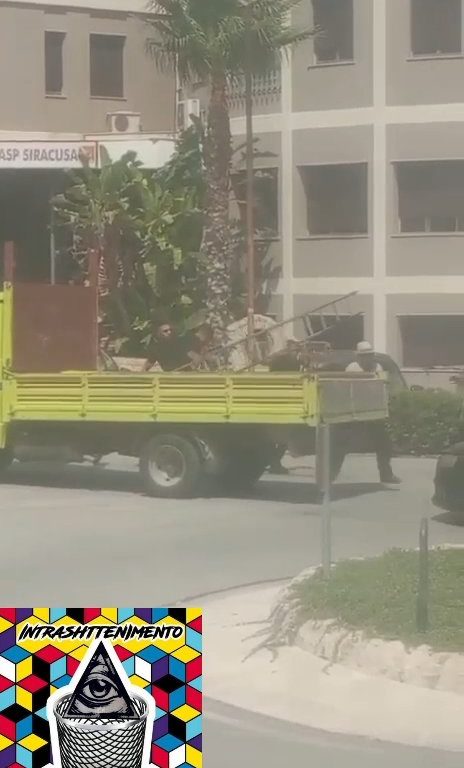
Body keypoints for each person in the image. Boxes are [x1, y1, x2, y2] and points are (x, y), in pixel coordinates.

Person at [336, 340, 401, 484]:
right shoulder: (352, 368)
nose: (368, 358)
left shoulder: (377, 366)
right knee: (340, 443)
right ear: (358, 357)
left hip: (372, 410)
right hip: (354, 411)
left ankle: (386, 474)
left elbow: (380, 385)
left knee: (383, 443)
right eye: (364, 355)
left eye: (370, 355)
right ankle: (331, 474)